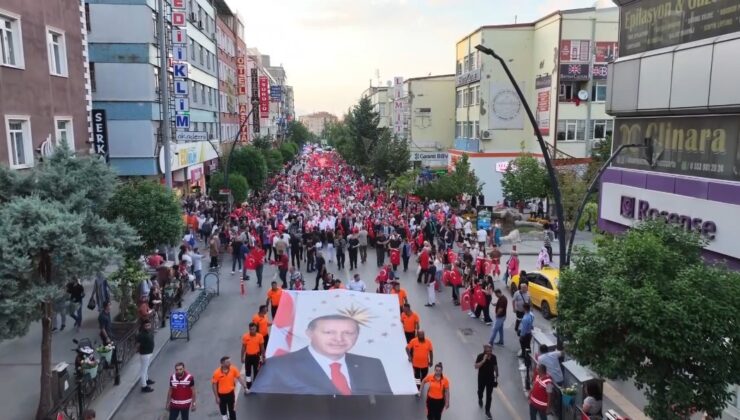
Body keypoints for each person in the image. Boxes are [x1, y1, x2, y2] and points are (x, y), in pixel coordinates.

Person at [252, 314, 392, 395]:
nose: (339, 339)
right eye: (329, 332)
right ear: (309, 333)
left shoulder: (372, 365)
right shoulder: (278, 366)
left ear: (357, 336)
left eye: (348, 333)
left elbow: (385, 403)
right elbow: (263, 406)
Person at [474, 344, 498, 420]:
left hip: (490, 379)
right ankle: (480, 398)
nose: (489, 353)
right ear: (484, 350)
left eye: (490, 351)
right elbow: (476, 366)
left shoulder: (494, 357)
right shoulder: (480, 356)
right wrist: (483, 361)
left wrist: (497, 373)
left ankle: (487, 411)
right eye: (488, 351)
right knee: (480, 391)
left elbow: (495, 366)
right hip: (481, 378)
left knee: (489, 396)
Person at [241, 323, 265, 391]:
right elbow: (243, 348)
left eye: (253, 329)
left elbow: (262, 347)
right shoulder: (245, 337)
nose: (252, 330)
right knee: (248, 373)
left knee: (256, 372)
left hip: (256, 357)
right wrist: (242, 357)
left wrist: (263, 357)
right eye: (251, 329)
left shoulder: (260, 336)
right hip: (248, 357)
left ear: (256, 329)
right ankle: (249, 386)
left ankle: (256, 386)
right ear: (249, 329)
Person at [137, 319, 155, 393]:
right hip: (145, 354)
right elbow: (138, 343)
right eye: (146, 325)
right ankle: (144, 386)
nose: (148, 326)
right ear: (143, 326)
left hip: (149, 353)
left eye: (149, 325)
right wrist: (139, 350)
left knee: (146, 367)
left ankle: (147, 380)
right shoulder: (141, 334)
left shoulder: (149, 332)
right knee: (143, 370)